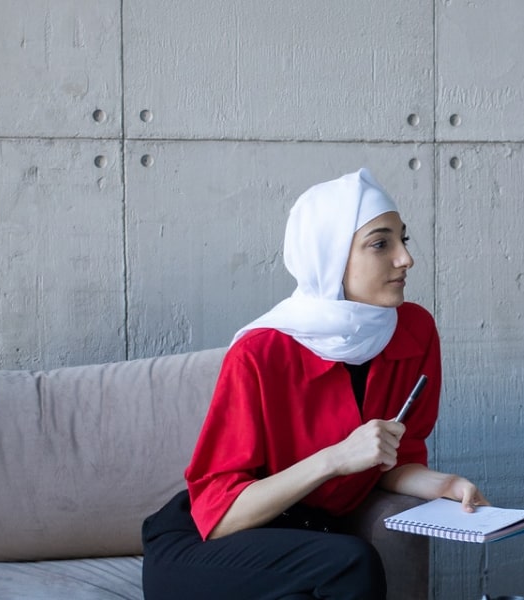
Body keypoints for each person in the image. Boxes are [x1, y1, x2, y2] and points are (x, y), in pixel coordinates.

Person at [141, 168, 486, 600]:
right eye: (381, 244)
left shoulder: (413, 332)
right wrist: (336, 458)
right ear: (330, 255)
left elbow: (391, 461)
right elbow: (219, 514)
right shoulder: (261, 353)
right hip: (206, 548)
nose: (405, 258)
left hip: (309, 542)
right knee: (350, 563)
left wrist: (445, 485)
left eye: (404, 240)